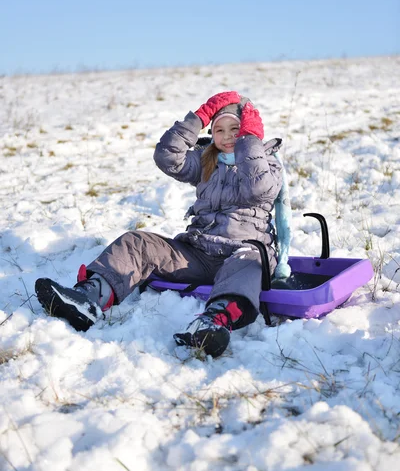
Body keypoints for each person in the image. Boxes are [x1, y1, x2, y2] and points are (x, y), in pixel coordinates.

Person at [35, 91, 284, 358]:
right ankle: (89, 299)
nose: (227, 136)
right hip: (199, 253)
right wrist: (198, 118)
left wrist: (250, 141)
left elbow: (258, 189)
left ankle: (214, 322)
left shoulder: (268, 164)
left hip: (242, 253)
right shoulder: (206, 162)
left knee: (250, 260)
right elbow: (167, 156)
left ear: (249, 131)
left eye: (236, 129)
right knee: (138, 242)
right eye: (219, 129)